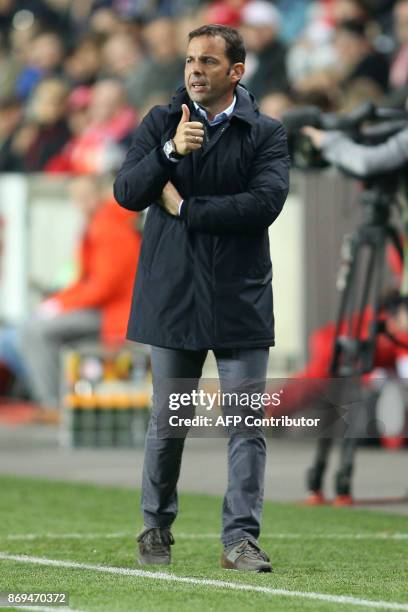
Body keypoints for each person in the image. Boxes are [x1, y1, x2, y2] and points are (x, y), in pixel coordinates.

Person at [114, 24, 289, 572]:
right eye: (191, 60)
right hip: (173, 296)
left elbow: (264, 203)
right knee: (169, 425)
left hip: (239, 298)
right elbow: (126, 192)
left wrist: (187, 209)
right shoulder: (162, 123)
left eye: (209, 62)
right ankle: (156, 528)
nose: (194, 70)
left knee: (245, 425)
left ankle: (239, 540)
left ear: (236, 71)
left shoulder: (266, 132)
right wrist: (168, 154)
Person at [16, 176, 141, 414]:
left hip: (115, 314)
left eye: (85, 196)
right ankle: (56, 400)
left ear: (100, 194)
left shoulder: (108, 228)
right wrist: (57, 302)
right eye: (76, 198)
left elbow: (103, 288)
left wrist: (59, 305)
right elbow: (85, 281)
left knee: (32, 333)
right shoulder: (100, 224)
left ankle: (53, 405)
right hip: (108, 310)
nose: (80, 203)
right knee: (34, 328)